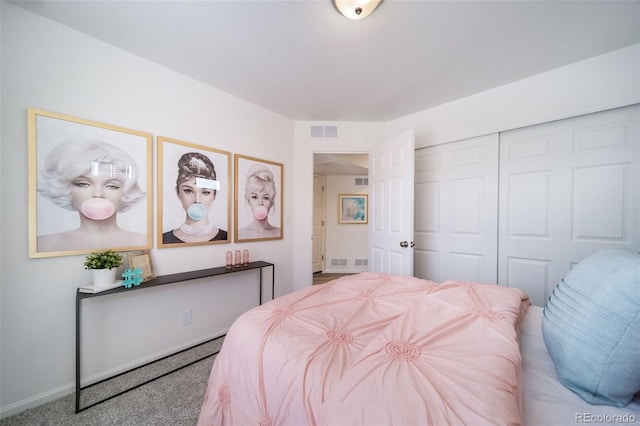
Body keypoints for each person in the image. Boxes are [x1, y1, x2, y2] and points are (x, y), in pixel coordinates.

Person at [37, 139, 147, 252]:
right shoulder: (43, 244)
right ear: (66, 188)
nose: (98, 194)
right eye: (83, 184)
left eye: (112, 186)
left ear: (125, 192)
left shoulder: (145, 242)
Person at [162, 152, 227, 244]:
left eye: (205, 192)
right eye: (188, 191)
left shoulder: (227, 237)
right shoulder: (164, 240)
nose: (197, 200)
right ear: (178, 193)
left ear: (214, 195)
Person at [238, 163, 280, 239]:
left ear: (272, 203)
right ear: (248, 200)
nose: (260, 203)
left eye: (266, 198)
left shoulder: (279, 232)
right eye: (254, 197)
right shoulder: (239, 234)